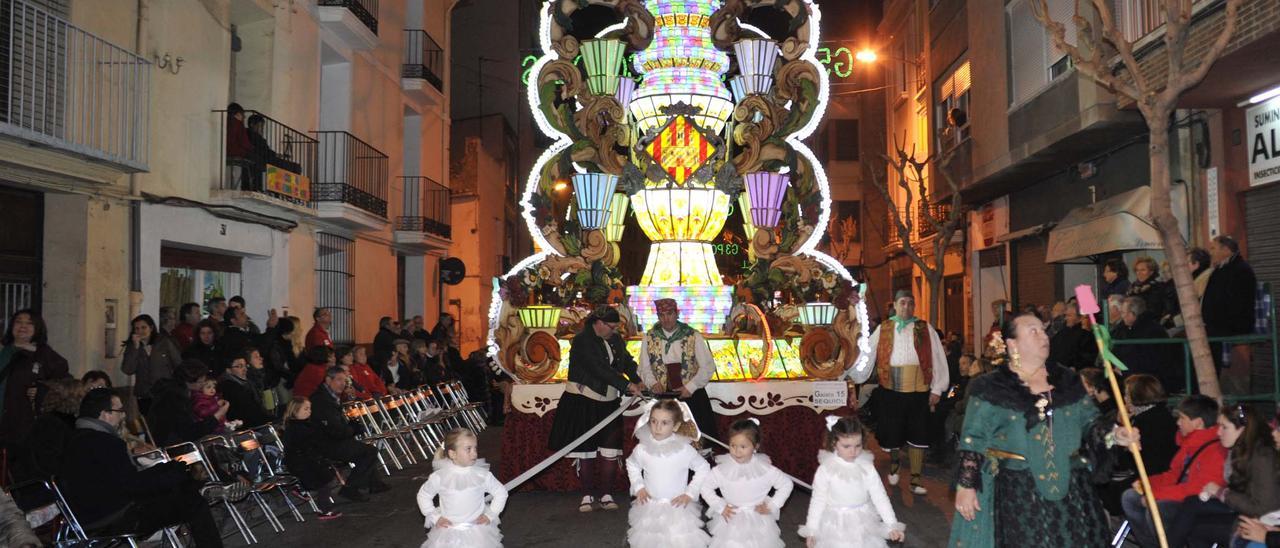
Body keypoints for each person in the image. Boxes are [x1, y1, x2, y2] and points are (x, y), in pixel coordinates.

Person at [949, 312, 1136, 547]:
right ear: (1012, 344)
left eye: (1043, 330)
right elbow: (973, 439)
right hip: (1016, 491)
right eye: (1033, 331)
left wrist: (1114, 435)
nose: (1043, 336)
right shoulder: (990, 387)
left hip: (1072, 491)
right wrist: (966, 486)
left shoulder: (1068, 380)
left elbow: (1091, 424)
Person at [60, 388, 224, 547]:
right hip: (115, 518)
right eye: (119, 410)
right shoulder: (106, 442)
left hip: (88, 518)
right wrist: (171, 475)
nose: (124, 415)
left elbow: (124, 480)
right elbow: (133, 486)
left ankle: (200, 485)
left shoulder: (74, 441)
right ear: (105, 414)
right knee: (192, 501)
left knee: (177, 481)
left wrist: (166, 470)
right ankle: (204, 487)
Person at [846, 290, 948, 496]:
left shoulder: (925, 328)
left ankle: (916, 479)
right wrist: (851, 372)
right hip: (891, 390)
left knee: (918, 433)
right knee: (893, 432)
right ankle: (894, 464)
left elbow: (938, 358)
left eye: (911, 303)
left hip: (919, 390)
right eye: (903, 303)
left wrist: (937, 388)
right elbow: (868, 352)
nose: (907, 307)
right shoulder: (884, 328)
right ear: (895, 305)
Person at [547, 306, 644, 513]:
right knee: (586, 450)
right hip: (583, 401)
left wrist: (638, 380)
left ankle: (607, 494)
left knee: (610, 449)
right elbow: (599, 369)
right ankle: (587, 494)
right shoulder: (582, 341)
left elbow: (626, 362)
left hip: (609, 402)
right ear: (598, 323)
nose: (614, 331)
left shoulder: (615, 339)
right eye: (611, 327)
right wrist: (626, 386)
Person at [1120, 394, 1228, 547]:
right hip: (1181, 495)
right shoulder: (1189, 444)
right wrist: (1147, 483)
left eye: (1182, 418)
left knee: (1158, 508)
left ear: (1197, 422)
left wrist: (1154, 495)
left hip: (1199, 502)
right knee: (1130, 497)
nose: (1178, 423)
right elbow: (1174, 475)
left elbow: (1197, 489)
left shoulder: (1215, 451)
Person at [1166, 403, 1280, 547]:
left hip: (1260, 520)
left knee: (1193, 517)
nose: (1218, 432)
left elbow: (1263, 508)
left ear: (1243, 430)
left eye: (1224, 427)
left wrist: (1221, 493)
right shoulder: (1240, 451)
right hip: (1244, 510)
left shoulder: (1263, 458)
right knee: (1192, 511)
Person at [800, 416, 904, 548]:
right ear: (833, 443)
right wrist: (812, 530)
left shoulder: (867, 467)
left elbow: (879, 497)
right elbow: (818, 500)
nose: (853, 451)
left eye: (858, 445)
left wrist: (891, 525)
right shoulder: (826, 469)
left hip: (864, 524)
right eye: (846, 446)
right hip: (835, 525)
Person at [625, 399, 711, 548]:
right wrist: (639, 486)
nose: (658, 427)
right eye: (654, 421)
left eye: (665, 423)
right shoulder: (643, 448)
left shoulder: (684, 449)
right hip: (650, 507)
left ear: (676, 425)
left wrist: (690, 493)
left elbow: (703, 467)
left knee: (678, 541)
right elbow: (632, 464)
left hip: (677, 508)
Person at [639, 298, 718, 453]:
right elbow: (643, 367)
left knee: (698, 445)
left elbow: (708, 366)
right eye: (661, 315)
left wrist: (691, 386)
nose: (666, 319)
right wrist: (653, 383)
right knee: (664, 445)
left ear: (677, 314)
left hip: (692, 397)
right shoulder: (649, 337)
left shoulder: (693, 335)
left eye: (669, 314)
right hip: (663, 398)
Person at [700, 418, 794, 548]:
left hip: (758, 520)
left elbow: (786, 484)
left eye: (743, 447)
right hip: (730, 520)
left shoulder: (765, 470)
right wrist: (719, 506)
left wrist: (773, 505)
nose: (737, 451)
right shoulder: (722, 469)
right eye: (733, 445)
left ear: (755, 446)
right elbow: (705, 487)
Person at [417, 428, 508, 548]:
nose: (474, 453)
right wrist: (435, 517)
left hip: (477, 533)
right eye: (468, 449)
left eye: (475, 448)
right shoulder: (440, 477)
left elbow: (501, 493)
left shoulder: (482, 475)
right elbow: (424, 495)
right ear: (452, 454)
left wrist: (490, 515)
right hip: (448, 533)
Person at [309, 366, 388, 501]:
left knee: (365, 450)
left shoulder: (330, 396)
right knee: (369, 452)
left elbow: (337, 426)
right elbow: (334, 429)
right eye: (339, 380)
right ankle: (350, 488)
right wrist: (352, 429)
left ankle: (375, 483)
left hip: (333, 439)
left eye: (344, 380)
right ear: (328, 380)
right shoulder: (321, 400)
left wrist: (350, 428)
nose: (343, 384)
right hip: (325, 444)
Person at [0, 308, 70, 446]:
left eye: (29, 323)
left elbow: (65, 383)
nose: (23, 326)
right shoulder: (4, 351)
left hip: (23, 425)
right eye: (18, 322)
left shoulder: (44, 355)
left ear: (37, 328)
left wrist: (42, 390)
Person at [281, 397, 343, 520]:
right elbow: (305, 446)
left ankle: (302, 488)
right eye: (305, 409)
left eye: (310, 408)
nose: (309, 411)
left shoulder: (304, 424)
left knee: (326, 476)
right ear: (295, 411)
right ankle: (324, 509)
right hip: (301, 462)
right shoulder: (296, 428)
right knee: (324, 481)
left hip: (308, 458)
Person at [1203, 235, 1258, 372]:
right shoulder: (1220, 269)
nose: (1210, 252)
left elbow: (1238, 303)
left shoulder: (1240, 270)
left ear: (1226, 250)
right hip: (1216, 324)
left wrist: (1214, 321)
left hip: (1232, 326)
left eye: (1213, 248)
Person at [12, 378, 82, 485]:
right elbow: (49, 464)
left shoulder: (53, 422)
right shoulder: (53, 425)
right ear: (73, 398)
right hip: (42, 487)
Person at [121, 313, 183, 415]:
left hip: (165, 393)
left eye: (143, 327)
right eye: (137, 328)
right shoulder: (132, 347)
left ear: (151, 327)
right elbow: (127, 370)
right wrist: (135, 348)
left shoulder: (164, 342)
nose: (140, 331)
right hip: (144, 394)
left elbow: (178, 364)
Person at [1113, 296, 1180, 391]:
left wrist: (1124, 369)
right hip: (1128, 373)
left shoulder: (1152, 331)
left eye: (1123, 313)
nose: (1122, 316)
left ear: (1133, 314)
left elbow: (1150, 360)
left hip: (1149, 381)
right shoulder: (1124, 328)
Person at [219, 352, 273, 428]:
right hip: (246, 426)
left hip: (256, 422)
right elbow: (248, 412)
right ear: (229, 370)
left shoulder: (247, 383)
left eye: (245, 365)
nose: (244, 369)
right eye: (240, 366)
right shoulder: (230, 387)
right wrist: (269, 420)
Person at [1048, 301, 1098, 370]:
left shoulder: (1086, 336)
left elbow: (1088, 357)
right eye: (1065, 315)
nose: (1066, 318)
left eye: (1069, 315)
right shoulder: (1062, 332)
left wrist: (1075, 367)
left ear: (1080, 318)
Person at [1128, 256, 1176, 326]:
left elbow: (1155, 311)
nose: (1139, 273)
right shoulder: (1133, 287)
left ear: (1151, 272)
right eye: (1137, 270)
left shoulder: (1158, 287)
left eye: (1143, 270)